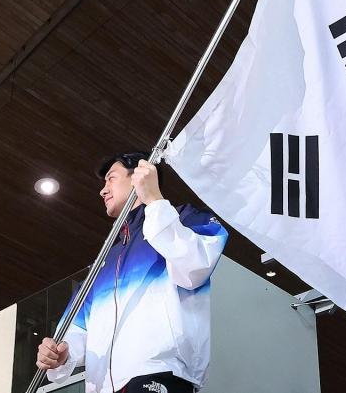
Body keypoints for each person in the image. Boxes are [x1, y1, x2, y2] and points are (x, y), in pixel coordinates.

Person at [35, 151, 228, 393]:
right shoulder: (103, 261)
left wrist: (155, 201)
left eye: (111, 178)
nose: (102, 190)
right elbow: (78, 328)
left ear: (137, 175)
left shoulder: (185, 217)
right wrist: (61, 353)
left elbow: (194, 267)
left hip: (161, 373)